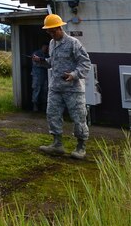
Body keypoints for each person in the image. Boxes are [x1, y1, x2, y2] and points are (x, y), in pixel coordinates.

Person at [39, 13, 91, 160]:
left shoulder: (73, 43)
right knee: (52, 114)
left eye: (53, 31)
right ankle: (57, 145)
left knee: (78, 117)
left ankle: (81, 147)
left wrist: (74, 75)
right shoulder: (52, 43)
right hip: (56, 87)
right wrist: (42, 61)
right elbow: (53, 62)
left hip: (73, 89)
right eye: (49, 32)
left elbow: (85, 63)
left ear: (60, 28)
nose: (51, 34)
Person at [31, 43, 49, 112]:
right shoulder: (36, 53)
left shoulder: (47, 55)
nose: (46, 49)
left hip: (45, 76)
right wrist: (44, 63)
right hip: (37, 76)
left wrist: (42, 61)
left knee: (45, 91)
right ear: (42, 46)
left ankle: (44, 106)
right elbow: (36, 63)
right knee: (36, 90)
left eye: (47, 48)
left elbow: (50, 64)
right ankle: (35, 106)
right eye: (45, 47)